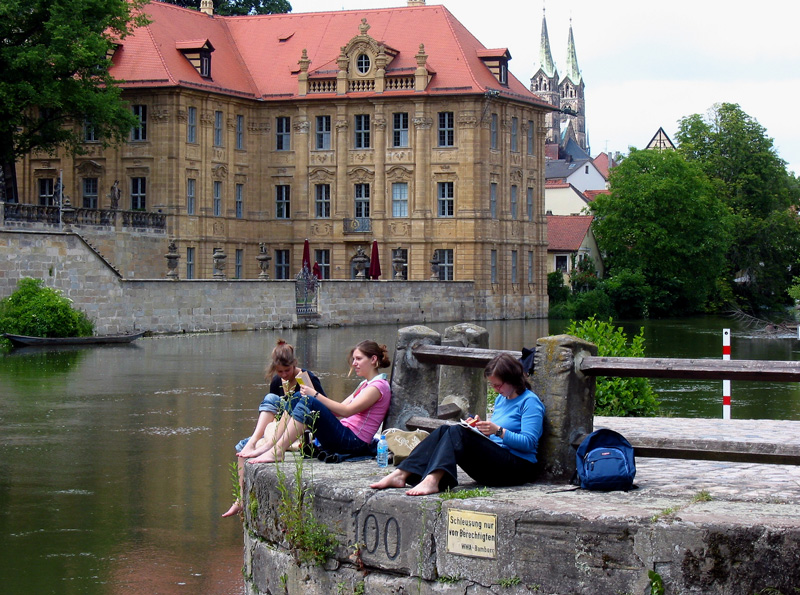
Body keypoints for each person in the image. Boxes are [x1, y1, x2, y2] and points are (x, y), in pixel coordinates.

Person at [370, 352, 544, 496]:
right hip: (495, 463)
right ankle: (402, 473)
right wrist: (479, 429)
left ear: (512, 379)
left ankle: (432, 480)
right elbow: (495, 437)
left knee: (458, 433)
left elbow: (529, 443)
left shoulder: (529, 402)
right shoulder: (501, 399)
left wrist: (498, 431)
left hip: (518, 468)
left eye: (498, 385)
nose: (496, 389)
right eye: (492, 385)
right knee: (446, 429)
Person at [222, 339, 326, 517]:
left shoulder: (307, 378)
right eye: (280, 371)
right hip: (280, 425)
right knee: (242, 445)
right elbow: (277, 412)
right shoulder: (277, 380)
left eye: (288, 370)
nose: (284, 375)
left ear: (294, 365)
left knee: (288, 402)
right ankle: (240, 499)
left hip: (300, 428)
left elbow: (322, 408)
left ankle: (264, 446)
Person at [245, 340, 392, 465]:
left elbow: (347, 411)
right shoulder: (365, 385)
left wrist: (314, 395)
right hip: (345, 435)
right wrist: (313, 397)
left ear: (373, 360)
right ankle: (272, 445)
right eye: (354, 359)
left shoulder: (378, 387)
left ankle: (277, 450)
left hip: (354, 441)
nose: (354, 364)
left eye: (359, 359)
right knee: (297, 397)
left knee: (308, 400)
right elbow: (338, 410)